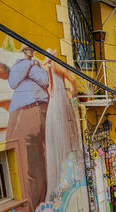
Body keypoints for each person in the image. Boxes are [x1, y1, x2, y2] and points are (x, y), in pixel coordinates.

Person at [7, 45, 49, 211]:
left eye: (30, 50)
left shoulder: (34, 66)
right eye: (26, 50)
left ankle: (40, 206)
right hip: (24, 112)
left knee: (40, 162)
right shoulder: (20, 65)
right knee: (27, 164)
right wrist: (29, 64)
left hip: (42, 109)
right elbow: (13, 81)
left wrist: (30, 66)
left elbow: (44, 81)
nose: (29, 52)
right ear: (22, 52)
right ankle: (34, 209)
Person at [44, 50, 81, 200]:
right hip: (60, 101)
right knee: (64, 134)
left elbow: (51, 87)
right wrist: (74, 91)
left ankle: (62, 179)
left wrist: (72, 90)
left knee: (60, 135)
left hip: (55, 102)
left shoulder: (51, 67)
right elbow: (71, 78)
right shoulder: (56, 66)